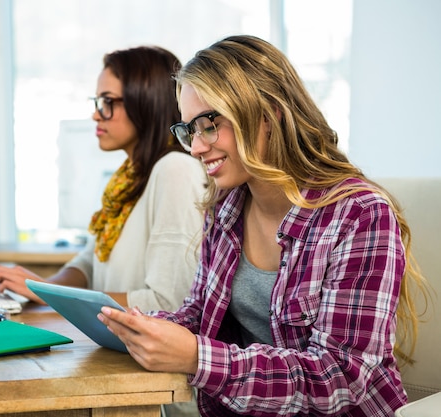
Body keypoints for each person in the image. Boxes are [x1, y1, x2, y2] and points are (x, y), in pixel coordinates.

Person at [97, 35, 430, 417]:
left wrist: (197, 357)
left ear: (268, 115)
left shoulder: (359, 214)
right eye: (189, 130)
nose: (195, 147)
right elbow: (199, 315)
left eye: (208, 125)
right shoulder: (226, 206)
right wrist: (141, 327)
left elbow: (343, 379)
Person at [0, 46, 206, 314]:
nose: (96, 114)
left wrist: (54, 295)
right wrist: (44, 288)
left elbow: (168, 303)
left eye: (108, 102)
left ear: (145, 102)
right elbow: (89, 262)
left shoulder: (175, 170)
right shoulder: (127, 179)